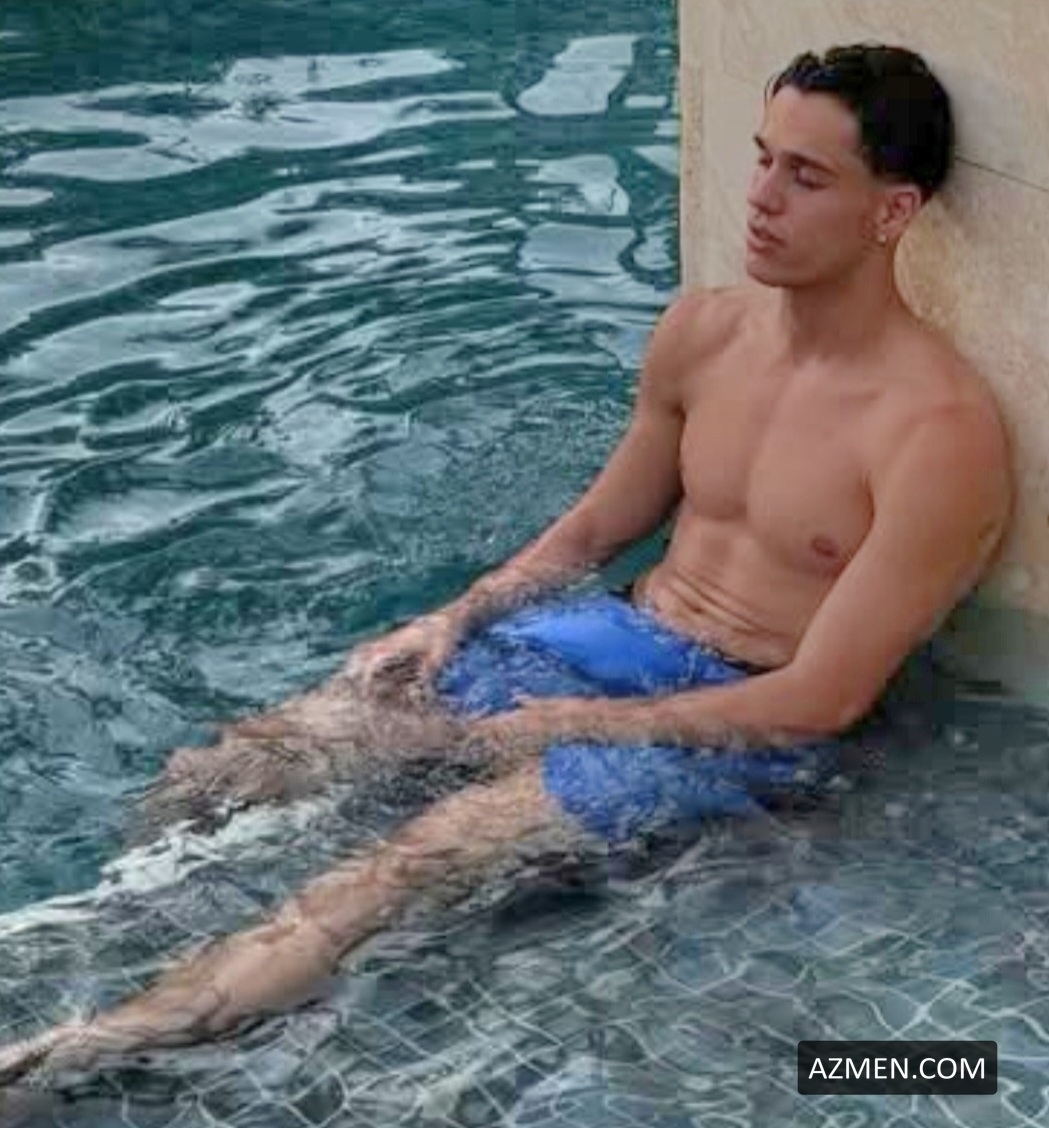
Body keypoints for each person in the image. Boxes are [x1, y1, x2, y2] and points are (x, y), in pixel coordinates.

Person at [0, 44, 1012, 1085]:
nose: (759, 197)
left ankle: (66, 1059)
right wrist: (455, 615)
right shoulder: (705, 332)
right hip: (609, 637)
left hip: (736, 719)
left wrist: (574, 726)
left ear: (890, 212)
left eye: (805, 177)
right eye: (761, 158)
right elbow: (594, 530)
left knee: (396, 870)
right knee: (238, 763)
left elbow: (823, 699)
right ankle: (87, 920)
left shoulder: (933, 432)